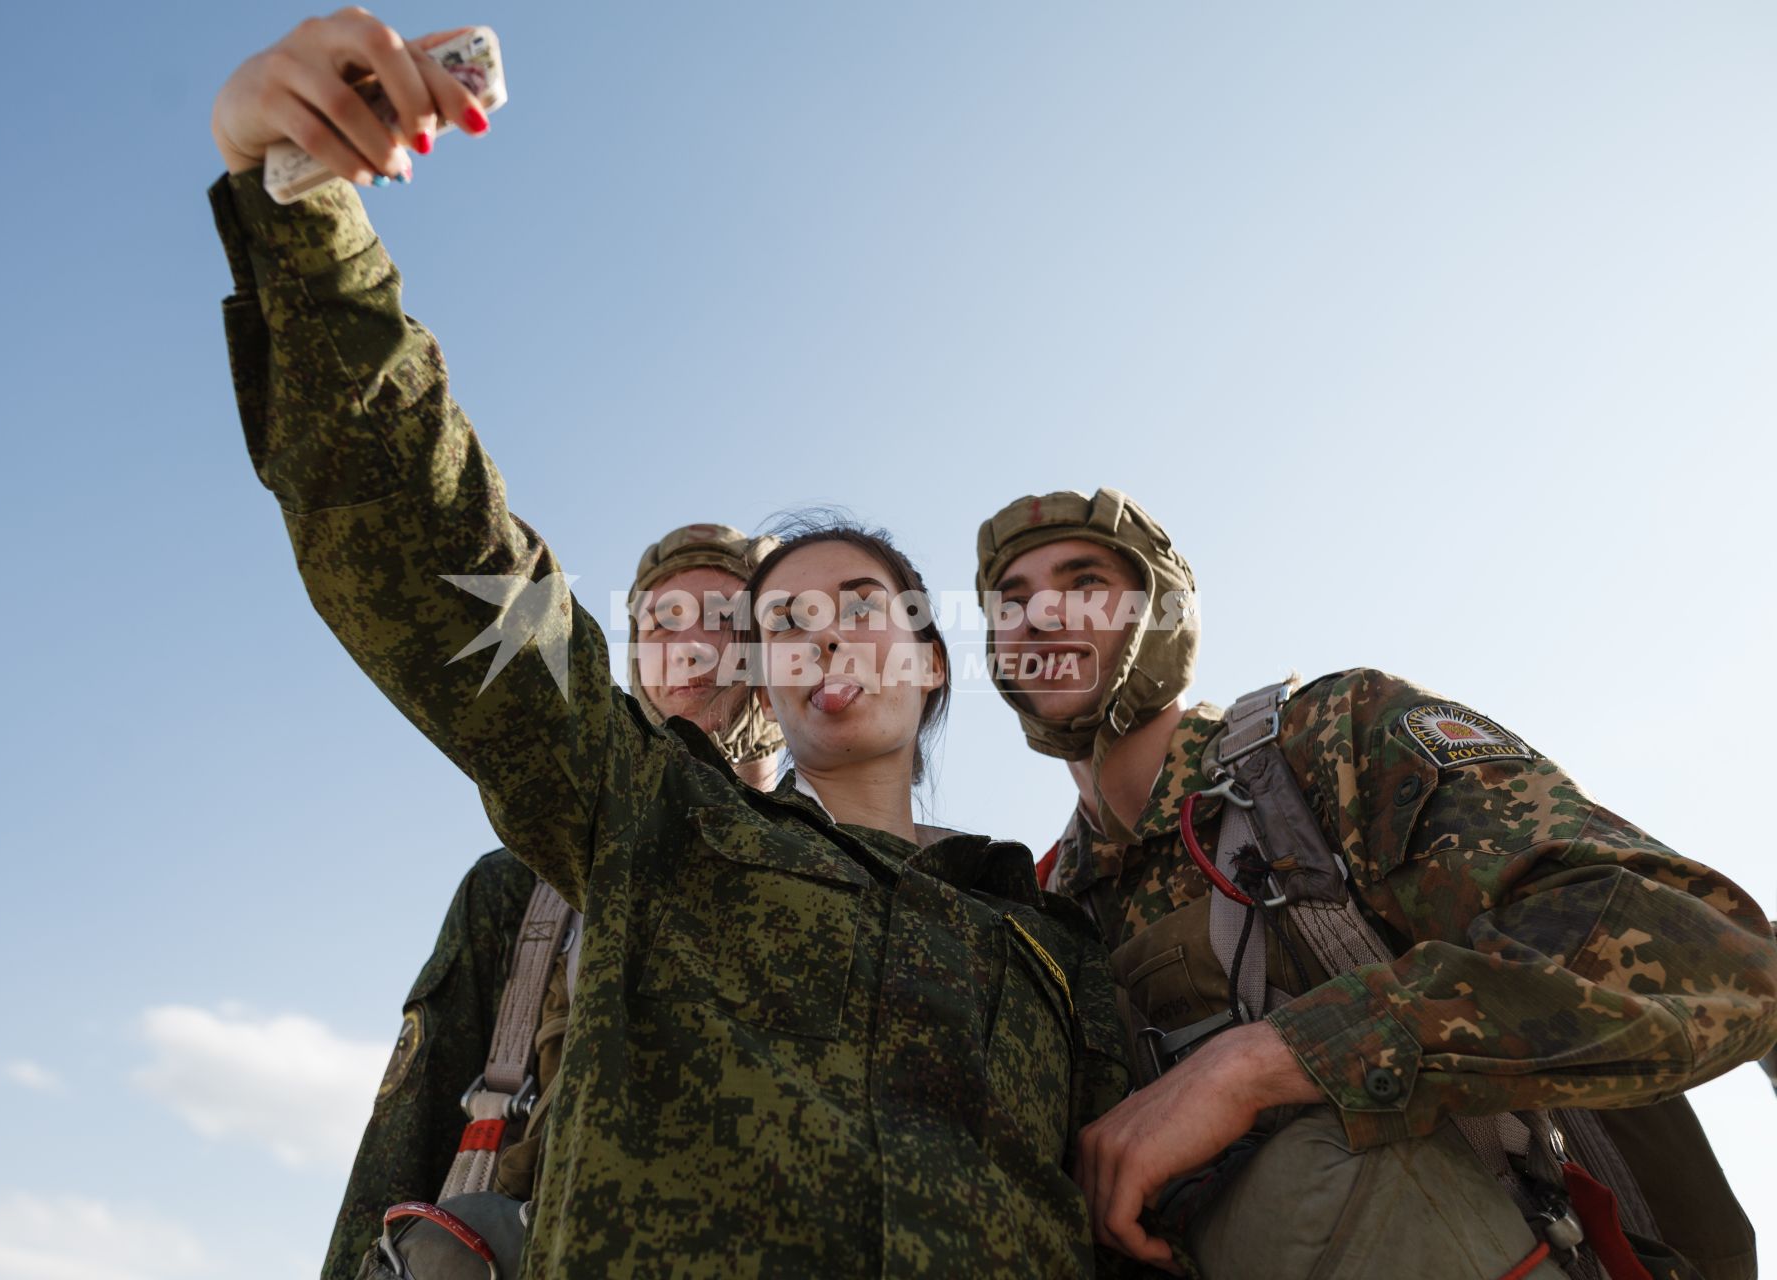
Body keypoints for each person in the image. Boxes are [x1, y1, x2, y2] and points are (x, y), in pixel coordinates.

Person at [209, 13, 1132, 1275]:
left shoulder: (1058, 943)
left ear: (929, 658)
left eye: (859, 604)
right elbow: (456, 575)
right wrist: (311, 228)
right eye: (784, 622)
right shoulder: (655, 830)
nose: (821, 636)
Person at [974, 487, 1777, 1280]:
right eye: (1011, 602)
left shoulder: (1327, 743)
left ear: (1162, 613)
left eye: (1085, 584)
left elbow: (1700, 946)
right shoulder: (1041, 912)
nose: (1042, 615)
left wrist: (1272, 1059)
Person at [319, 523, 786, 1280]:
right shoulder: (516, 888)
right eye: (661, 621)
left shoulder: (864, 879)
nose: (688, 642)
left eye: (727, 618)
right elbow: (403, 1143)